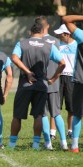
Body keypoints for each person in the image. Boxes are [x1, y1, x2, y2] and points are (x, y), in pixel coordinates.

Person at [8, 22, 65, 150]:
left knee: (17, 115)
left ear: (30, 32)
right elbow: (62, 63)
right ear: (43, 32)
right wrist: (54, 78)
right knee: (39, 115)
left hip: (25, 84)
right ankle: (35, 145)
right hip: (42, 84)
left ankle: (11, 145)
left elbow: (14, 58)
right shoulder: (49, 46)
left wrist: (28, 72)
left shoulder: (21, 44)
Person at [35, 16, 68, 150]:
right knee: (57, 113)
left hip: (40, 81)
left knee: (43, 114)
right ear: (47, 26)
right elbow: (60, 61)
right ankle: (64, 142)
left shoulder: (36, 42)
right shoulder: (55, 41)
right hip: (53, 81)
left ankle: (48, 143)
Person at [63, 15, 83, 153]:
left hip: (80, 80)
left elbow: (66, 19)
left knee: (77, 113)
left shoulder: (82, 36)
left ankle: (75, 146)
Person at [54, 24, 77, 140]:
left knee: (71, 107)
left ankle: (70, 130)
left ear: (67, 34)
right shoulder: (58, 45)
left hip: (71, 78)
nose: (59, 37)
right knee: (55, 106)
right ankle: (52, 132)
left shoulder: (77, 45)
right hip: (58, 77)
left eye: (61, 35)